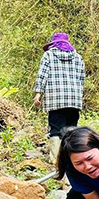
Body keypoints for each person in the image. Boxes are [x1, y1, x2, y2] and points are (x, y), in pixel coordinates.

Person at [34, 32, 86, 164]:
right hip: (74, 99)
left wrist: (38, 94)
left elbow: (42, 75)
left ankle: (57, 161)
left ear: (54, 44)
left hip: (55, 100)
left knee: (56, 130)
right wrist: (78, 97)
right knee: (71, 131)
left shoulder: (49, 55)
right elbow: (81, 79)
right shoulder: (78, 57)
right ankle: (71, 159)